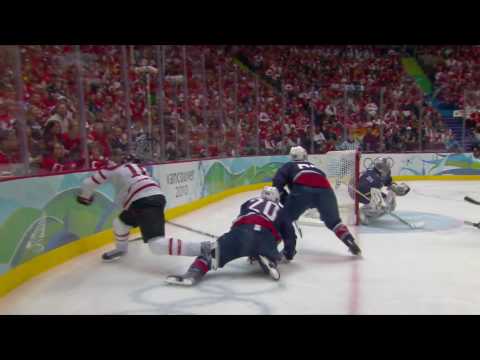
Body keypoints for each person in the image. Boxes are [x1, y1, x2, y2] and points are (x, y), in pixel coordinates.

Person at [76, 153, 210, 261]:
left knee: (156, 245)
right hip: (147, 199)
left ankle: (204, 249)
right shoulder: (136, 167)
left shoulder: (110, 169)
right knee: (120, 223)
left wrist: (84, 198)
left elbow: (88, 184)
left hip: (142, 201)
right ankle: (121, 249)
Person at [166, 186, 296, 286]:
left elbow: (237, 222)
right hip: (266, 237)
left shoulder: (250, 202)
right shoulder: (282, 210)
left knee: (211, 254)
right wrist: (288, 253)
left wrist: (230, 237)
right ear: (277, 198)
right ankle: (269, 257)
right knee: (271, 240)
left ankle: (193, 273)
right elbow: (290, 235)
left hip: (242, 232)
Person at [273, 146, 361, 256]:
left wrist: (284, 198)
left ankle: (276, 248)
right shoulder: (314, 167)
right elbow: (321, 180)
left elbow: (277, 182)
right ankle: (350, 241)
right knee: (334, 222)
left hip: (302, 191)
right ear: (305, 156)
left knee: (283, 219)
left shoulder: (288, 165)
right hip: (326, 191)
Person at [357, 157, 410, 225]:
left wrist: (396, 188)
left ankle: (370, 215)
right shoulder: (371, 174)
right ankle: (362, 212)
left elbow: (389, 182)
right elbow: (362, 188)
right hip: (361, 193)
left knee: (391, 206)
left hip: (373, 192)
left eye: (386, 166)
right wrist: (378, 201)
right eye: (384, 166)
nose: (386, 168)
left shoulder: (386, 173)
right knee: (380, 204)